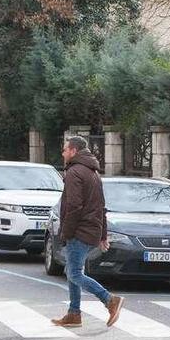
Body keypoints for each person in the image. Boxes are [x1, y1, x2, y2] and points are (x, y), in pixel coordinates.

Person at [51, 136, 124, 328]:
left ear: (74, 151)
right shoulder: (93, 172)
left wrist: (66, 232)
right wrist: (102, 235)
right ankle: (74, 314)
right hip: (89, 229)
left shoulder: (75, 172)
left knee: (74, 273)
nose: (63, 153)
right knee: (74, 271)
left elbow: (74, 206)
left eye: (65, 149)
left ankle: (109, 300)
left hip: (79, 230)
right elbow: (101, 206)